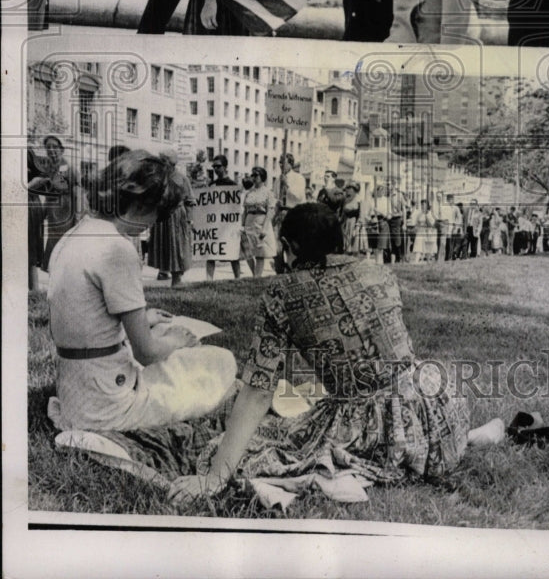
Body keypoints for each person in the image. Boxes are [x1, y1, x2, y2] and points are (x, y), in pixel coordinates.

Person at [169, 203, 505, 506]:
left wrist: (214, 477)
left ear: (288, 248)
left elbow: (258, 390)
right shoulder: (379, 271)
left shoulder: (282, 293)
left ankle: (340, 477)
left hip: (375, 422)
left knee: (246, 449)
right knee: (307, 409)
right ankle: (467, 438)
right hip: (436, 401)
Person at [46, 150, 236, 432]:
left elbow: (84, 319)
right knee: (219, 361)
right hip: (109, 403)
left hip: (75, 390)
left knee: (171, 350)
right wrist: (177, 341)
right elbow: (146, 352)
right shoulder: (117, 248)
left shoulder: (74, 235)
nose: (154, 224)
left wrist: (145, 320)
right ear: (144, 203)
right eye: (159, 215)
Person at [147, 151, 195, 288]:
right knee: (163, 246)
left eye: (164, 162)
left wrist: (190, 220)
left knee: (177, 246)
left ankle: (177, 278)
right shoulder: (157, 178)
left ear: (171, 163)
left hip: (177, 216)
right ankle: (163, 272)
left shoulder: (182, 179)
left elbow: (190, 201)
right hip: (161, 216)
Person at [40, 135, 84, 273]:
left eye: (54, 146)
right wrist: (43, 212)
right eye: (48, 147)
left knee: (65, 245)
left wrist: (78, 216)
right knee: (53, 244)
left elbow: (78, 193)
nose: (51, 150)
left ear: (61, 149)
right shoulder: (47, 169)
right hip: (53, 213)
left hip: (67, 211)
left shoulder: (69, 167)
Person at [206, 155, 244, 280]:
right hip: (214, 223)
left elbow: (237, 207)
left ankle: (237, 278)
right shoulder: (211, 184)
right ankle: (208, 279)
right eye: (214, 166)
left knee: (232, 251)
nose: (216, 169)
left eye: (218, 166)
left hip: (228, 224)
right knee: (210, 252)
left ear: (225, 167)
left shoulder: (233, 185)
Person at [241, 167, 277, 278]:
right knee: (247, 251)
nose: (254, 178)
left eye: (256, 175)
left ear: (262, 177)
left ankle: (257, 276)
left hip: (260, 221)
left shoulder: (268, 192)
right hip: (249, 221)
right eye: (253, 175)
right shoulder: (249, 192)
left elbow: (270, 211)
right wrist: (242, 225)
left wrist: (265, 228)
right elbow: (245, 210)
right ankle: (254, 274)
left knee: (260, 252)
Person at [27, 148, 49, 290]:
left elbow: (44, 176)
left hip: (29, 205)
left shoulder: (26, 152)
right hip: (28, 203)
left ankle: (33, 294)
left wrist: (29, 186)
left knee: (31, 254)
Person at [340, 181, 368, 255]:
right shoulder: (345, 200)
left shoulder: (359, 200)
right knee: (346, 245)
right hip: (346, 224)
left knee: (354, 245)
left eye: (350, 188)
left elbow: (361, 214)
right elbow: (343, 212)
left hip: (355, 224)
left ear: (355, 190)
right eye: (347, 188)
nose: (348, 190)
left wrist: (357, 227)